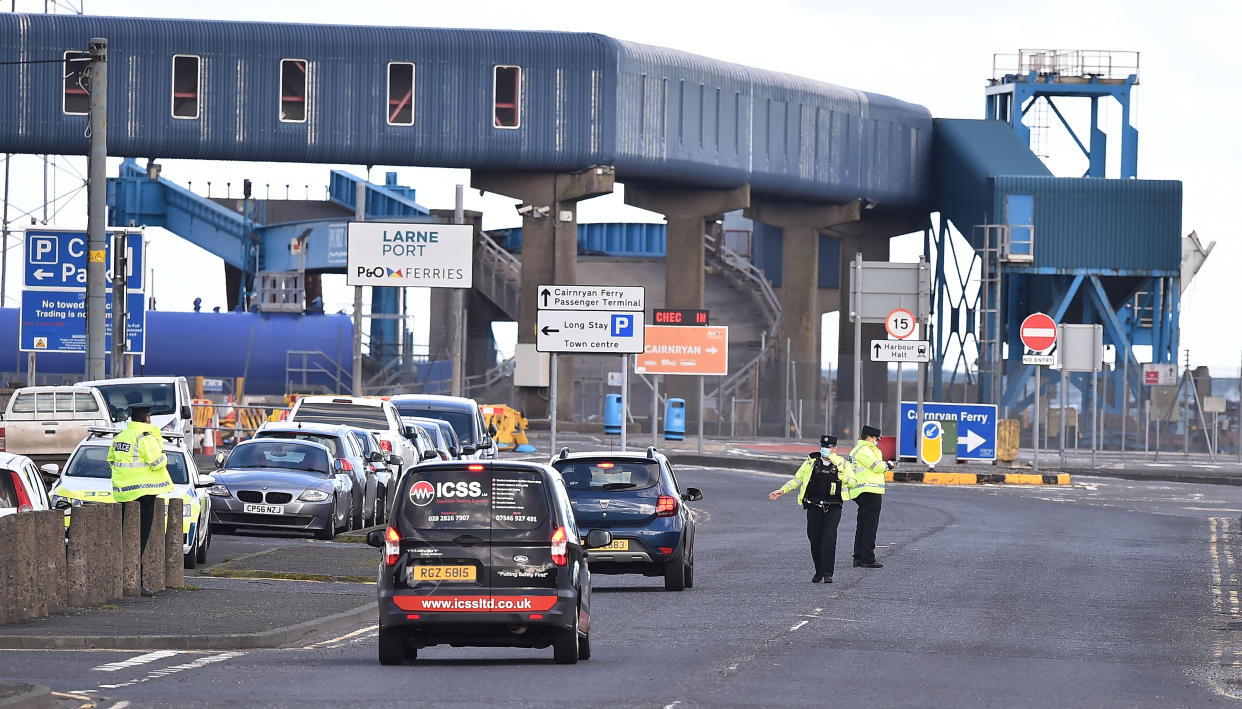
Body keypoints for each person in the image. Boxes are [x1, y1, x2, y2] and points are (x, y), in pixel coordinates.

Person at [107, 405, 175, 597]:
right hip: (144, 493)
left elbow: (111, 460)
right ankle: (135, 581)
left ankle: (117, 580)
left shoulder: (120, 437)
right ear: (147, 418)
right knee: (141, 539)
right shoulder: (145, 437)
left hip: (122, 493)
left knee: (121, 537)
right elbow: (156, 461)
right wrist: (165, 458)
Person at [769, 435, 849, 583]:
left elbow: (853, 481)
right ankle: (818, 570)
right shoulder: (811, 462)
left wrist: (841, 475)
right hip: (814, 504)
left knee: (829, 539)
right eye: (822, 447)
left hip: (833, 505)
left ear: (835, 449)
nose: (824, 450)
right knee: (814, 538)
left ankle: (827, 573)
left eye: (828, 448)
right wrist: (783, 490)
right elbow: (798, 479)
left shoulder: (842, 463)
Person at [849, 425, 891, 569]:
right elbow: (877, 467)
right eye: (875, 439)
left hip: (861, 491)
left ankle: (858, 557)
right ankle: (868, 558)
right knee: (870, 526)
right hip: (870, 490)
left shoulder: (857, 449)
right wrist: (888, 465)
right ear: (870, 437)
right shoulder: (865, 450)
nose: (876, 442)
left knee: (862, 524)